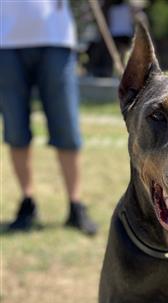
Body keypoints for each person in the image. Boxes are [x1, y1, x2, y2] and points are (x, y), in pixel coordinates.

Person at [0, 0, 97, 235]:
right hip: (6, 39)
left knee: (66, 128)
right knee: (15, 130)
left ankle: (75, 204)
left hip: (56, 37)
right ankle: (28, 202)